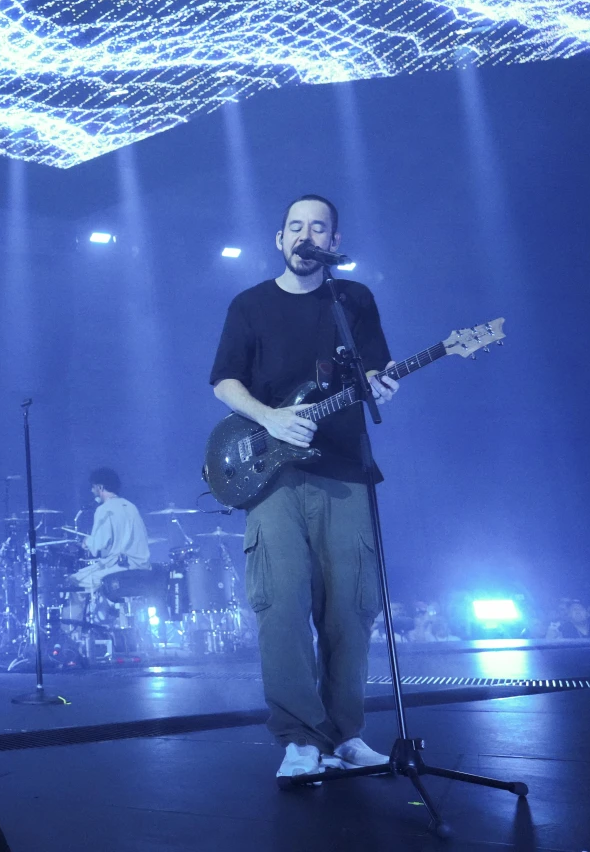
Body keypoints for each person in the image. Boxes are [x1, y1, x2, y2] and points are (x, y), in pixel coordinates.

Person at [209, 195, 401, 783]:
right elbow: (224, 382)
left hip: (344, 472)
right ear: (279, 238)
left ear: (332, 241)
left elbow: (373, 369)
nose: (304, 235)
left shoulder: (353, 300)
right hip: (275, 478)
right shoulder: (250, 304)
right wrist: (269, 418)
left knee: (352, 607)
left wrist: (381, 386)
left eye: (317, 227)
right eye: (295, 226)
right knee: (282, 605)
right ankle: (297, 737)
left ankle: (345, 734)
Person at [71, 467, 150, 593]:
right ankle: (109, 610)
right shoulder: (131, 507)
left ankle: (94, 612)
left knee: (75, 581)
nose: (92, 491)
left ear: (100, 487)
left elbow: (99, 544)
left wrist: (87, 542)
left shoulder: (104, 509)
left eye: (93, 487)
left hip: (122, 568)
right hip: (141, 566)